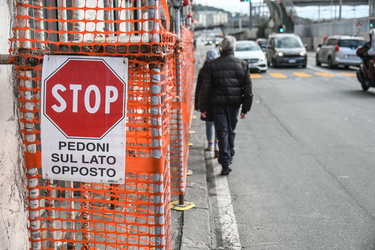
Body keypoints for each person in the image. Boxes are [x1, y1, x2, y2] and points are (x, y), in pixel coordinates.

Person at [199, 36, 253, 176]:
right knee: (230, 129)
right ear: (234, 48)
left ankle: (225, 162)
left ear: (221, 48)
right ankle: (230, 155)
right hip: (234, 104)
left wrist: (202, 107)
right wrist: (245, 108)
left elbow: (205, 89)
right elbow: (248, 90)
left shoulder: (212, 65)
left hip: (218, 104)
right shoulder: (243, 64)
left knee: (222, 131)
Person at [195, 49, 219, 155]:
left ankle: (210, 144)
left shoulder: (202, 70)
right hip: (218, 101)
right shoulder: (219, 69)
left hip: (206, 101)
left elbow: (198, 89)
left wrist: (199, 105)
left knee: (209, 124)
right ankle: (217, 143)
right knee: (219, 123)